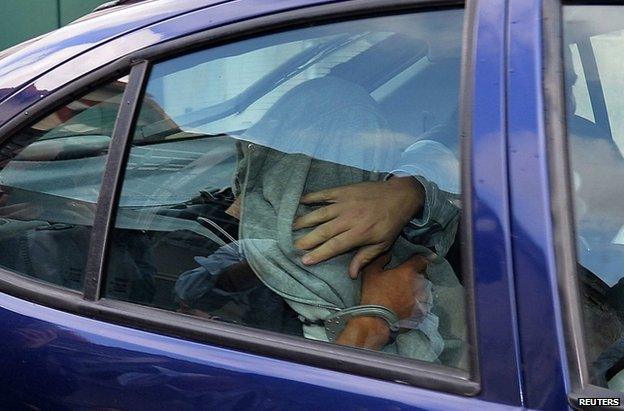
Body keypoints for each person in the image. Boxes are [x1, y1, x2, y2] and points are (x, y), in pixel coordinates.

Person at [175, 75, 464, 363]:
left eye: (363, 158)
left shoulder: (392, 238)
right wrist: (375, 317)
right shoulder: (248, 250)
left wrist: (410, 190)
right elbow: (194, 289)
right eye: (349, 157)